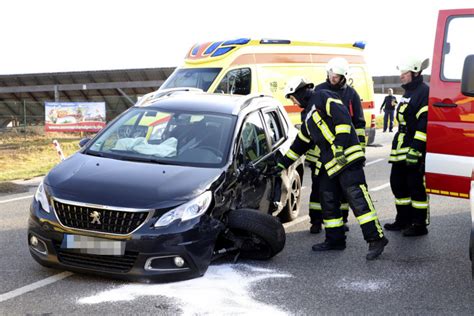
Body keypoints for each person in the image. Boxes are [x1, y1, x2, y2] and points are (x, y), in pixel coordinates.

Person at [277, 78, 388, 260]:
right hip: (331, 165)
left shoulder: (323, 96)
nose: (293, 102)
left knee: (357, 199)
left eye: (293, 98)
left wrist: (339, 146)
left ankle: (376, 239)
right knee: (327, 199)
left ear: (300, 92)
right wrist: (282, 163)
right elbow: (301, 143)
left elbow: (343, 119)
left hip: (348, 158)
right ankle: (335, 240)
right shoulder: (308, 115)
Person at [305, 57, 366, 233]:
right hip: (320, 151)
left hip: (343, 149)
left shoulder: (351, 94)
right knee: (318, 187)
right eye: (331, 74)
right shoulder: (319, 90)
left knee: (342, 188)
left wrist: (360, 152)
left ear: (344, 76)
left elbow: (359, 125)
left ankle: (342, 219)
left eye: (337, 75)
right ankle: (315, 220)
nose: (333, 78)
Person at [384, 56, 430, 236]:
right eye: (401, 73)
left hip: (413, 146)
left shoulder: (423, 92)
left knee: (415, 185)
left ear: (416, 72)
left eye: (404, 73)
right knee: (398, 183)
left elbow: (423, 123)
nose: (401, 76)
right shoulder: (408, 92)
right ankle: (403, 219)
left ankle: (419, 224)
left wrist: (416, 148)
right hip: (401, 145)